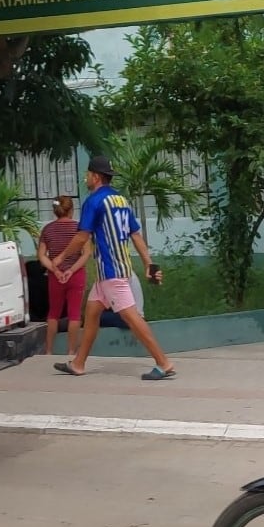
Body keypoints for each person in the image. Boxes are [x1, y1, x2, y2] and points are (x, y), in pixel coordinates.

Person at [51, 155, 176, 381]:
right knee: (92, 313)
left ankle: (163, 362)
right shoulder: (120, 200)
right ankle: (78, 363)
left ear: (95, 177)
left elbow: (81, 237)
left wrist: (60, 258)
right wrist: (148, 262)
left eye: (88, 174)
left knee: (132, 317)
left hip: (111, 272)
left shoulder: (94, 201)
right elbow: (135, 234)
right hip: (113, 271)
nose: (86, 178)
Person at [38, 195, 92, 356]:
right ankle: (71, 351)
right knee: (74, 314)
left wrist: (56, 270)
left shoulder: (47, 229)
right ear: (72, 210)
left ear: (55, 211)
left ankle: (48, 351)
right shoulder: (80, 229)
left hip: (55, 277)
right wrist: (71, 270)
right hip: (75, 275)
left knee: (53, 313)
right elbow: (86, 253)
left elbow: (42, 256)